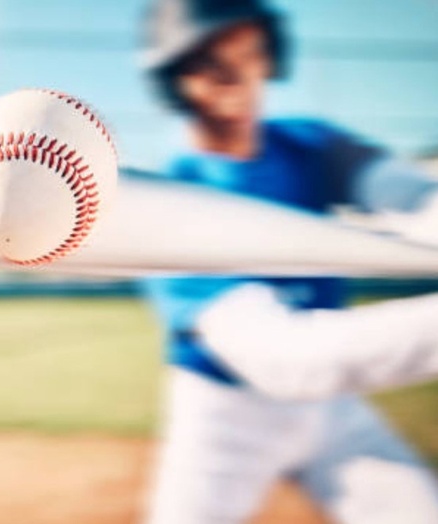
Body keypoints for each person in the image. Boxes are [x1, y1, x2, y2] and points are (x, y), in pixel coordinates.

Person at [138, 1, 438, 522]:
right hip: (224, 415)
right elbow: (284, 359)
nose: (233, 74)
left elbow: (414, 198)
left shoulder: (310, 145)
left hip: (331, 408)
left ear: (269, 53)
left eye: (246, 50)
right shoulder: (167, 200)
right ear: (175, 79)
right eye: (208, 59)